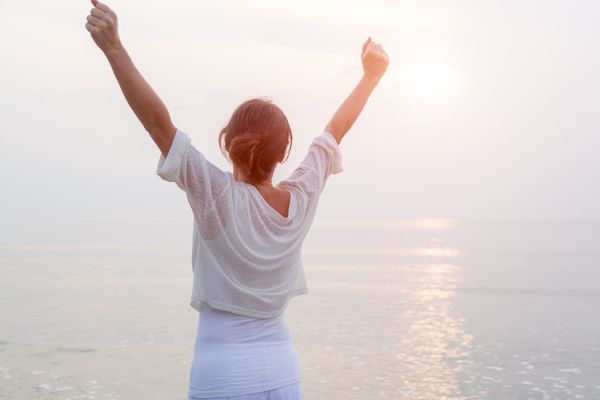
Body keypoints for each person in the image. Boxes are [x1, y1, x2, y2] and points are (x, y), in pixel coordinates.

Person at [84, 1, 389, 398]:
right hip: (284, 373)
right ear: (282, 154)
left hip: (222, 378)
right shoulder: (300, 199)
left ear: (228, 142)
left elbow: (159, 125)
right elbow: (335, 130)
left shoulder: (216, 194)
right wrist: (370, 77)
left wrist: (113, 47)